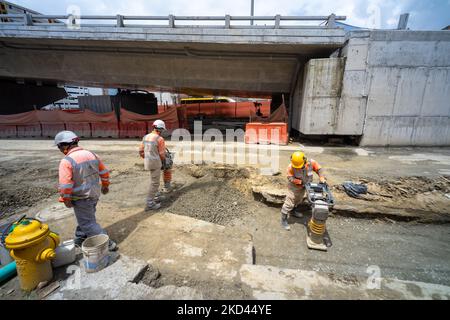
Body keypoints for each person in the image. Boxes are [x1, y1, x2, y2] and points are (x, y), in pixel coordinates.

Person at [55, 130, 117, 250]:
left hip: (81, 197)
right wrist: (105, 185)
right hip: (94, 194)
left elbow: (65, 186)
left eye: (59, 147)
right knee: (86, 216)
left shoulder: (66, 161)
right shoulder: (92, 154)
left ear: (65, 145)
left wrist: (66, 199)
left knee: (88, 223)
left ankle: (108, 244)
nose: (60, 150)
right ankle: (81, 236)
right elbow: (104, 172)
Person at [280, 151, 327, 231]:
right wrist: (299, 182)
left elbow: (319, 169)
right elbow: (289, 177)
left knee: (299, 199)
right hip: (294, 187)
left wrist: (321, 177)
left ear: (304, 160)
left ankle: (293, 212)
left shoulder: (311, 163)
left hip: (306, 185)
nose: (298, 168)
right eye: (296, 166)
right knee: (290, 201)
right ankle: (283, 219)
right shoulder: (291, 167)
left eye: (299, 166)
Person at [139, 120, 166, 210]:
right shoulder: (160, 139)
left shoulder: (145, 137)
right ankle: (150, 203)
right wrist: (163, 161)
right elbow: (162, 154)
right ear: (160, 129)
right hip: (156, 163)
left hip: (148, 162)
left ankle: (155, 197)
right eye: (162, 130)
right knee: (155, 183)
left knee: (153, 180)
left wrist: (146, 158)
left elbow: (141, 151)